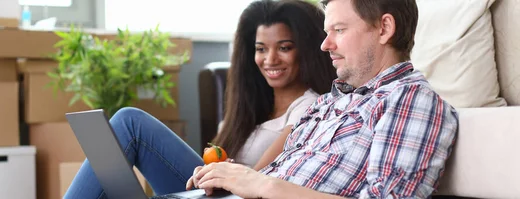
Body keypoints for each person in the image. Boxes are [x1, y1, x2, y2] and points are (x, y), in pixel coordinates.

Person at [186, 0, 459, 198]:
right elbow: (275, 178)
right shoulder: (329, 102)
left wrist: (262, 185)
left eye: (338, 30)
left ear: (384, 28)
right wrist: (232, 180)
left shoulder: (409, 99)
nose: (325, 45)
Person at [63, 0, 336, 198]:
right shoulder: (252, 109)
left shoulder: (309, 107)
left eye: (284, 48)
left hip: (239, 196)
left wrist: (227, 172)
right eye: (261, 49)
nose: (270, 59)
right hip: (212, 190)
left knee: (129, 124)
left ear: (307, 51)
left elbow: (261, 179)